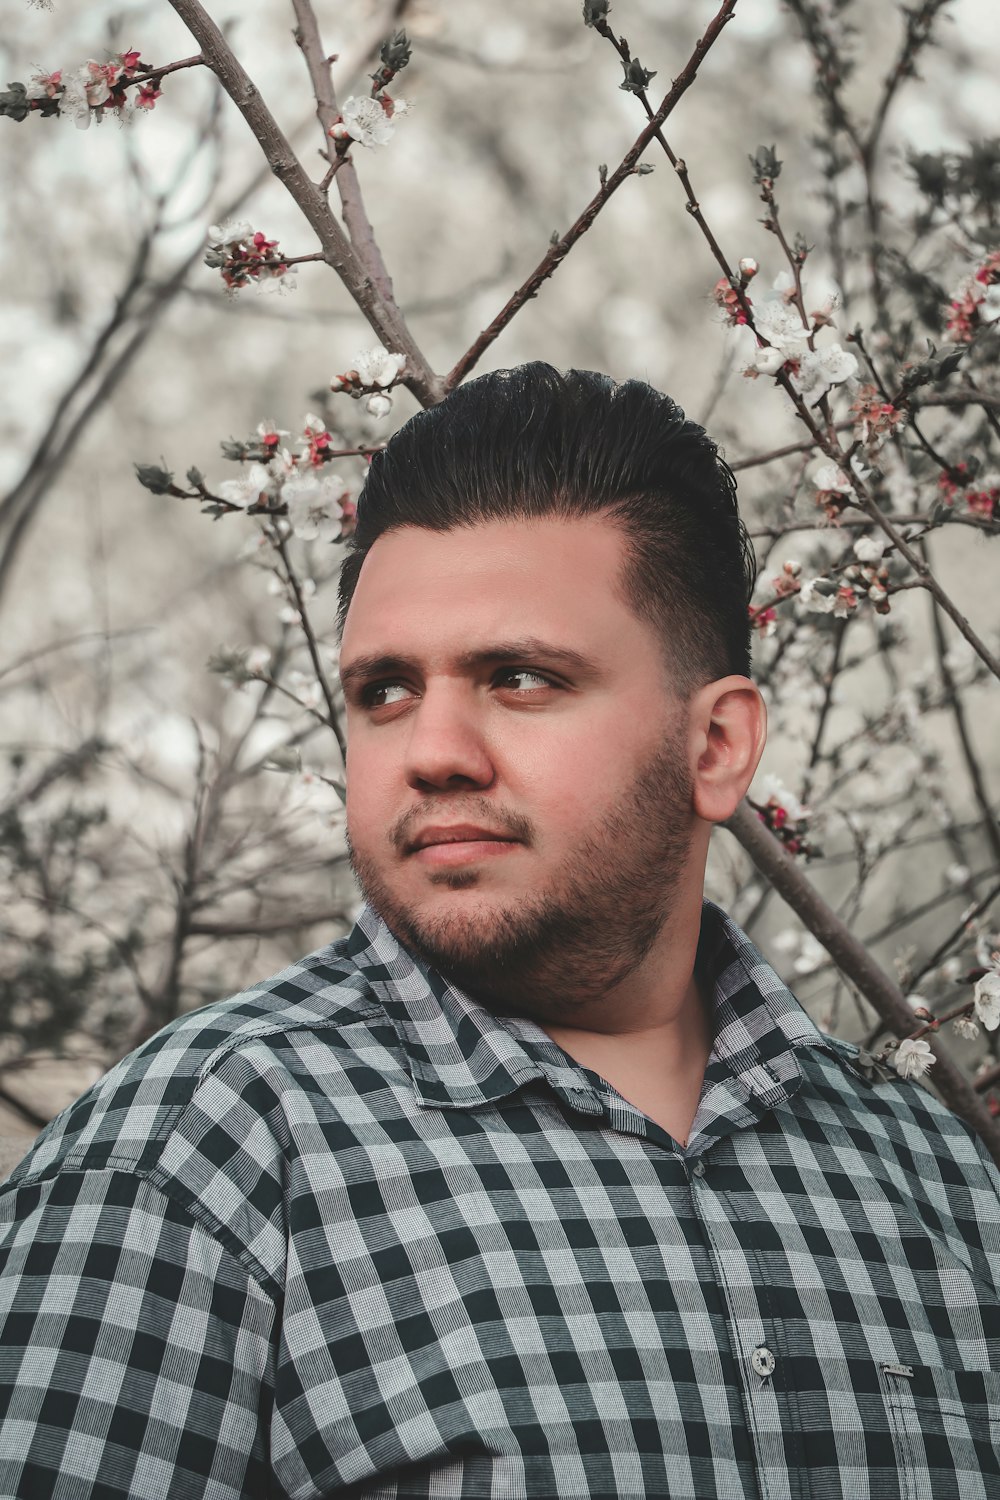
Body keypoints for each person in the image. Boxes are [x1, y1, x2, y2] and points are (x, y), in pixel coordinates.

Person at [1, 363, 998, 1500]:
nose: (431, 751)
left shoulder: (929, 1177)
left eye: (518, 678)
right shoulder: (203, 1156)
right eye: (383, 691)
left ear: (715, 744)